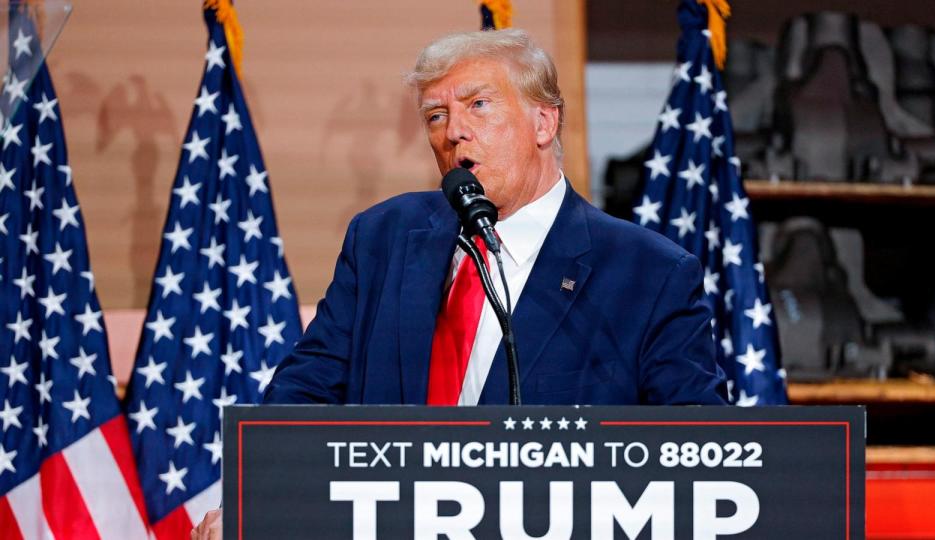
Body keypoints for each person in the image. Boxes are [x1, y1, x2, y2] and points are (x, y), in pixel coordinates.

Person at [191, 27, 725, 539]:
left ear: (544, 123)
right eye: (435, 115)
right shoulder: (383, 238)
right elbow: (305, 391)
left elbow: (696, 449)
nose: (453, 132)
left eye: (478, 105)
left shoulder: (646, 272)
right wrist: (250, 498)